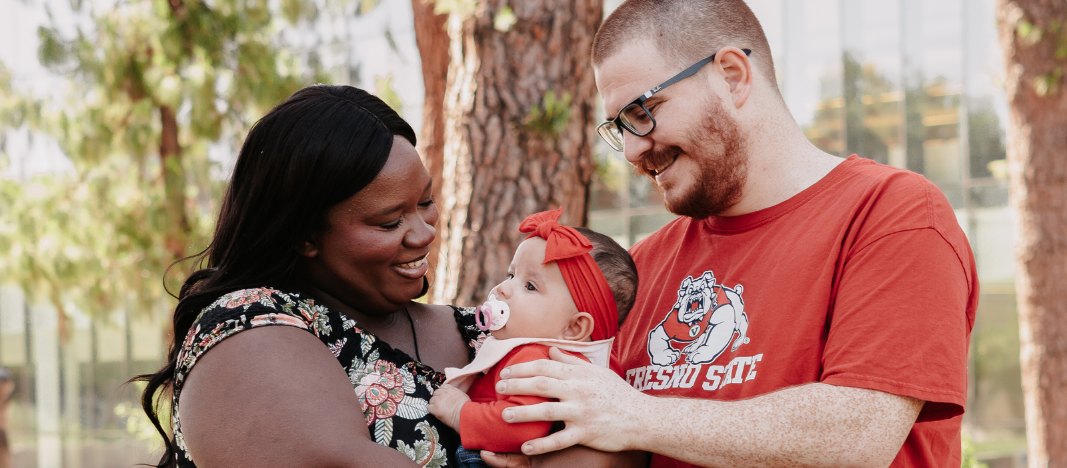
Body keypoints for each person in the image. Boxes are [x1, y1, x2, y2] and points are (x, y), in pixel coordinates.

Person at [491, 1, 978, 467]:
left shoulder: (893, 214)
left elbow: (859, 434)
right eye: (620, 127)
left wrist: (637, 415)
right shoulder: (640, 267)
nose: (633, 151)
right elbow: (606, 430)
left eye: (643, 111)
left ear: (732, 76)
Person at [136, 85, 486, 468]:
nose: (425, 233)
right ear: (304, 235)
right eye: (389, 222)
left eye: (426, 203)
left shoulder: (488, 331)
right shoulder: (248, 329)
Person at [428, 208, 638, 467]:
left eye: (530, 286)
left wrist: (460, 412)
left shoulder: (537, 358)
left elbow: (519, 426)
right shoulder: (596, 366)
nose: (502, 289)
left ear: (574, 328)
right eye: (511, 275)